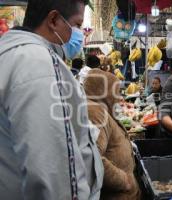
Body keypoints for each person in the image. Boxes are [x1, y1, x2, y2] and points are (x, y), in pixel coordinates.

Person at [0, 0, 104, 199]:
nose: (79, 35)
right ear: (54, 20)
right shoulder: (38, 63)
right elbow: (55, 170)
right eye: (76, 25)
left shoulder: (10, 53)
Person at [84, 69, 141, 200]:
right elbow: (92, 157)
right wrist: (124, 181)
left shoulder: (98, 108)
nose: (119, 96)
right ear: (103, 90)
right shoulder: (95, 112)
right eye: (116, 91)